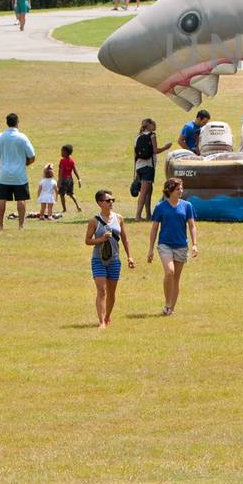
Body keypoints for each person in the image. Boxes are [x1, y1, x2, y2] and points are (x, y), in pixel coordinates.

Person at [148, 178, 198, 315]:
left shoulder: (187, 206)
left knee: (176, 278)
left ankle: (171, 308)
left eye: (181, 188)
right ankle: (167, 302)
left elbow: (192, 226)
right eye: (178, 189)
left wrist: (194, 244)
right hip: (165, 244)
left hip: (181, 245)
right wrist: (150, 249)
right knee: (170, 272)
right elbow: (154, 229)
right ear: (169, 190)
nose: (181, 191)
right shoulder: (160, 207)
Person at [86, 189, 134, 328]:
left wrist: (129, 257)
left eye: (112, 200)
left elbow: (125, 239)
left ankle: (107, 317)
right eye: (108, 200)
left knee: (111, 292)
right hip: (98, 259)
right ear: (100, 203)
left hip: (114, 259)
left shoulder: (119, 218)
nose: (111, 202)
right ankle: (101, 322)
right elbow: (88, 241)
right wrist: (101, 239)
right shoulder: (94, 221)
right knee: (102, 290)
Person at [0, 112, 37, 230]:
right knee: (21, 199)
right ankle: (21, 226)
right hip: (19, 174)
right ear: (17, 122)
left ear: (7, 123)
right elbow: (32, 156)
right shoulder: (22, 137)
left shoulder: (0, 137)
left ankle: (0, 225)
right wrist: (26, 163)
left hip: (4, 174)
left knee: (2, 199)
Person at [132, 119, 171, 220]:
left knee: (149, 190)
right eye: (154, 124)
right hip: (148, 166)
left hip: (139, 166)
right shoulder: (152, 135)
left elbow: (135, 155)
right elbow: (155, 150)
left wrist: (136, 171)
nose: (155, 126)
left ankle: (148, 215)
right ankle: (138, 216)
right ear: (149, 125)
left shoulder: (137, 137)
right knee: (144, 192)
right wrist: (166, 148)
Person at [57, 144, 83, 214]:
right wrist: (79, 179)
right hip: (70, 180)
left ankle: (64, 209)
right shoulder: (71, 160)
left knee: (62, 195)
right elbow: (75, 170)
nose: (61, 153)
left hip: (63, 180)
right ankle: (78, 205)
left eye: (62, 151)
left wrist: (59, 181)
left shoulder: (62, 160)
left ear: (66, 152)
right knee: (71, 194)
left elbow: (61, 172)